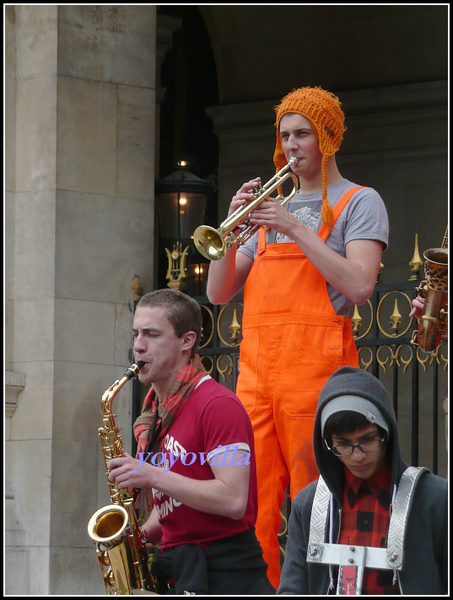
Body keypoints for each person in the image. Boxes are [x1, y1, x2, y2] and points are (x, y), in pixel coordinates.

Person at [206, 85, 389, 587]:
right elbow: (219, 293)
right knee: (252, 503)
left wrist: (294, 225)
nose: (291, 145)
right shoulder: (268, 212)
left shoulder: (359, 200)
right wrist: (232, 229)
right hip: (258, 377)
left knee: (319, 500)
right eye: (285, 134)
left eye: (302, 133)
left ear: (328, 136)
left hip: (316, 374)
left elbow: (359, 285)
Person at [107, 289, 274, 595]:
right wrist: (136, 539)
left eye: (152, 334)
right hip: (181, 570)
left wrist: (151, 474)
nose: (139, 346)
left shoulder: (218, 405)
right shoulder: (156, 414)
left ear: (187, 341)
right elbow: (175, 502)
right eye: (135, 334)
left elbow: (233, 499)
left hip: (227, 574)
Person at [277, 366, 448, 595]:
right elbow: (292, 589)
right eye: (343, 444)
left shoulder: (436, 499)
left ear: (387, 433)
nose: (357, 456)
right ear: (326, 444)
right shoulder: (307, 505)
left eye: (367, 440)